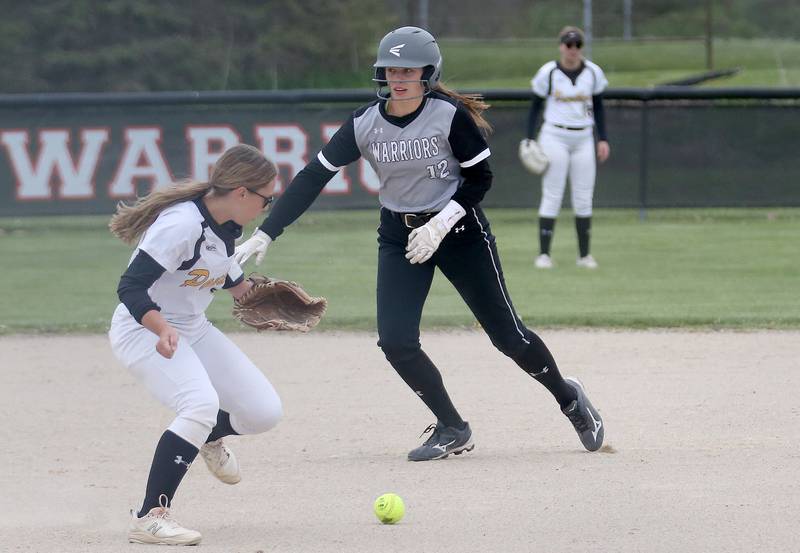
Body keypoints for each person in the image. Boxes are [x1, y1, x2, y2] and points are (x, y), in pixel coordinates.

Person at [234, 26, 604, 462]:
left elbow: (479, 179)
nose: (399, 77)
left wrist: (441, 224)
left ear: (429, 73)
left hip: (461, 233)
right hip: (399, 236)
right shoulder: (364, 122)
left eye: (409, 69)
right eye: (390, 69)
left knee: (508, 337)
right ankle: (452, 426)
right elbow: (314, 176)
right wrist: (265, 232)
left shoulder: (448, 115)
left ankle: (569, 399)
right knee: (395, 341)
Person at [108, 144, 283, 545]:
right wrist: (161, 327)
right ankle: (150, 516)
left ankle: (204, 435)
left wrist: (262, 298)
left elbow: (231, 282)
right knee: (200, 403)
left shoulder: (225, 230)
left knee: (263, 412)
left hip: (192, 327)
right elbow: (130, 286)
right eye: (265, 198)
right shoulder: (181, 224)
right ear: (241, 192)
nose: (266, 206)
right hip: (143, 330)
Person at [525, 26, 610, 269]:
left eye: (577, 45)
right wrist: (529, 138)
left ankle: (584, 255)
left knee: (584, 197)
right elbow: (535, 107)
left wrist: (602, 138)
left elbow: (600, 107)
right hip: (554, 136)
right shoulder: (549, 72)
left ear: (582, 47)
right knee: (552, 193)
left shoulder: (593, 73)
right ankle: (544, 254)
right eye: (568, 44)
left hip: (583, 137)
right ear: (561, 46)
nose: (572, 50)